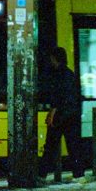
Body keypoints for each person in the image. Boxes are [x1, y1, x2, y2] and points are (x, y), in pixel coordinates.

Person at [39, 46, 85, 182]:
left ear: (55, 58)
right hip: (72, 114)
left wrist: (52, 112)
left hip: (60, 115)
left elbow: (57, 97)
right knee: (73, 146)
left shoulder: (57, 75)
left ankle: (41, 175)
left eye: (51, 58)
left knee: (50, 146)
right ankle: (79, 175)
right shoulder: (71, 74)